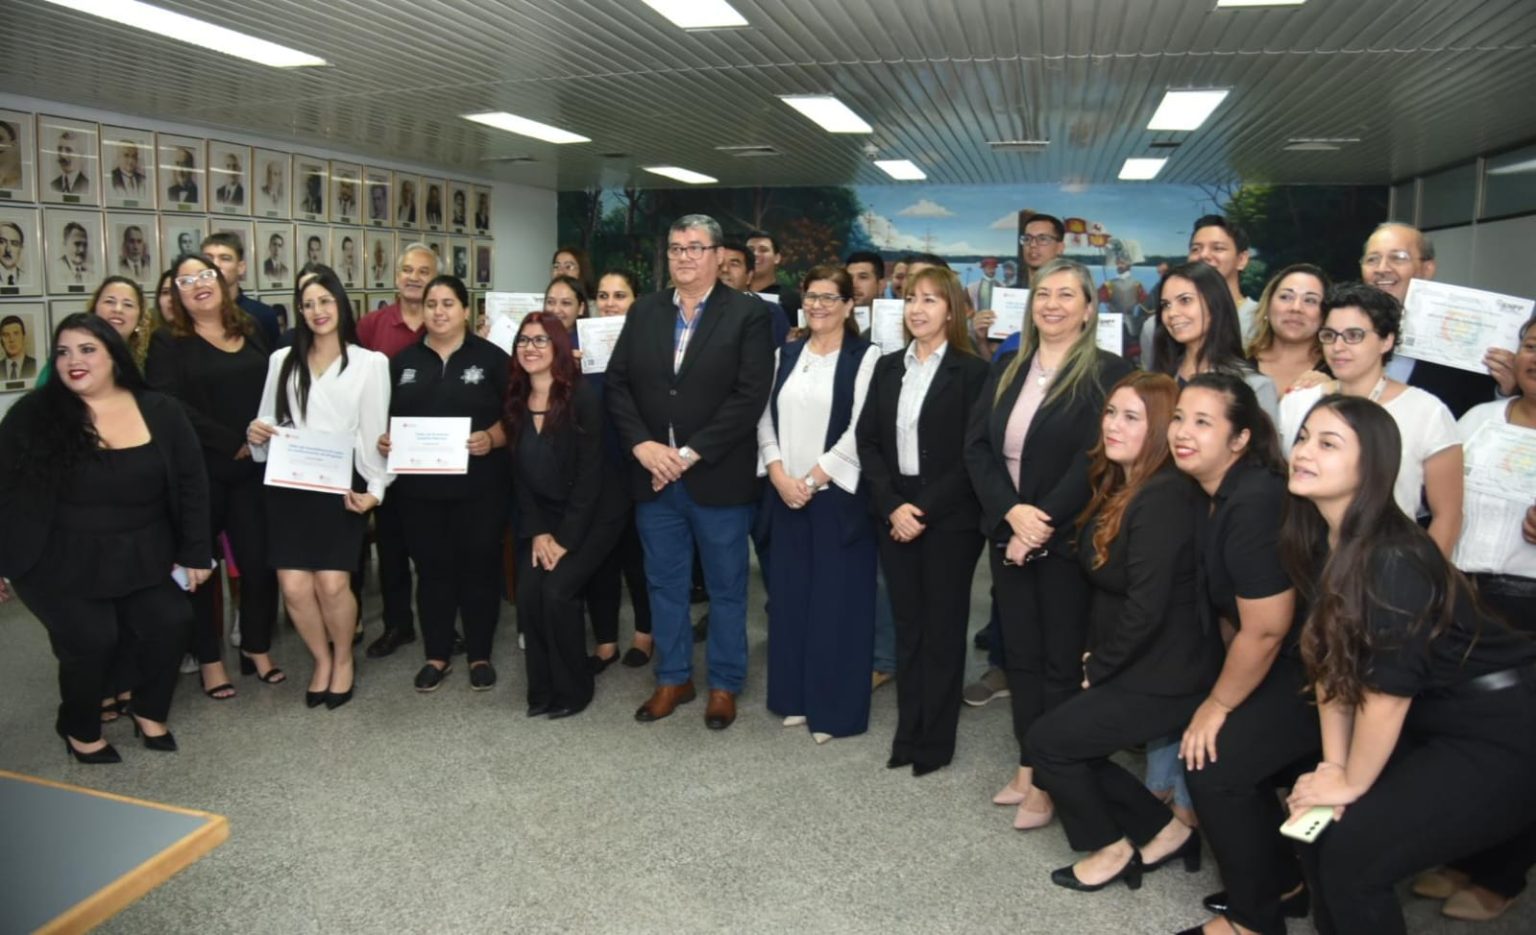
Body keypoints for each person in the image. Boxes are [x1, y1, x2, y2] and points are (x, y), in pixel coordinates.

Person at [1279, 395, 1536, 935]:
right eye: (1303, 438)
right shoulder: (1325, 539)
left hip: (1501, 731)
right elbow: (1329, 667)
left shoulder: (1393, 556)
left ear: (1370, 466)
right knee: (1323, 832)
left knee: (1353, 854)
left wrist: (1350, 784)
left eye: (1328, 444)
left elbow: (1387, 696)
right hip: (1436, 719)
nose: (1303, 451)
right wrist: (1334, 768)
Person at [1025, 371, 1221, 892]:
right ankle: (1167, 831)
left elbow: (1146, 606)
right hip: (1140, 660)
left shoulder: (1163, 497)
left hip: (1167, 671)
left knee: (1049, 744)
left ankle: (1111, 847)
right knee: (1061, 742)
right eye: (1111, 412)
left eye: (1131, 417)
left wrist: (1100, 665)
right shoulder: (1126, 484)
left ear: (1158, 429)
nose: (1112, 424)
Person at [964, 258, 1134, 827]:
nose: (1052, 304)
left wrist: (1038, 524)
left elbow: (1097, 457)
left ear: (1088, 310)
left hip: (1067, 539)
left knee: (1060, 663)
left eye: (1066, 295)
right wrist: (1011, 514)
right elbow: (977, 448)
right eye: (1043, 294)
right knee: (1022, 657)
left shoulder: (1108, 372)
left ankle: (1052, 779)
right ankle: (1028, 764)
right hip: (1007, 531)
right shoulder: (1009, 366)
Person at [0, 314, 210, 762]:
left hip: (142, 551)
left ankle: (149, 710)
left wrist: (196, 551)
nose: (72, 361)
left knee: (171, 622)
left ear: (114, 355)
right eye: (63, 352)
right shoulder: (33, 415)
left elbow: (193, 483)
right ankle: (78, 728)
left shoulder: (161, 410)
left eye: (87, 349)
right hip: (56, 557)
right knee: (92, 640)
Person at [606, 214, 774, 730]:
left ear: (718, 256)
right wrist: (643, 446)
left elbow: (749, 396)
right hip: (654, 478)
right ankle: (673, 677)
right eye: (676, 247)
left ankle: (724, 683)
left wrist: (689, 454)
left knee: (726, 588)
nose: (683, 256)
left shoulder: (748, 314)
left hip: (716, 476)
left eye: (695, 247)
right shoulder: (646, 311)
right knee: (664, 584)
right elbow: (618, 384)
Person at [1169, 373, 1318, 935]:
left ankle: (1253, 922)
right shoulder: (1213, 493)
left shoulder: (1255, 500)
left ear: (1240, 439)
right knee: (1219, 753)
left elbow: (1267, 630)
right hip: (1288, 657)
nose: (1182, 432)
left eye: (1202, 422)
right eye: (1179, 418)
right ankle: (1283, 884)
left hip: (1327, 673)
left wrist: (1219, 705)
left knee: (1212, 762)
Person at [856, 265, 988, 772]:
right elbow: (868, 441)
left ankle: (937, 738)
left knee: (943, 627)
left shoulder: (973, 372)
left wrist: (923, 509)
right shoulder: (889, 367)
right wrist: (892, 504)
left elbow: (973, 454)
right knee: (908, 625)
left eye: (931, 299)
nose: (917, 308)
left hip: (949, 518)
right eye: (911, 298)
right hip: (895, 511)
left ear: (951, 310)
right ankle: (908, 730)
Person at [246, 269, 389, 709]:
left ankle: (343, 659)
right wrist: (256, 431)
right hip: (290, 484)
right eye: (308, 304)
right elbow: (268, 419)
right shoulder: (282, 360)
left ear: (341, 304)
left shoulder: (370, 364)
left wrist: (376, 490)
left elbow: (373, 434)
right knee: (293, 587)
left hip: (339, 485)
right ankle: (321, 660)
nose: (317, 311)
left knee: (331, 584)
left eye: (325, 301)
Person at [757, 265, 881, 743]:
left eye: (830, 297)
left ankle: (833, 711)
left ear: (849, 305)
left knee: (836, 607)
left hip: (836, 499)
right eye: (811, 296)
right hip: (785, 494)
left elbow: (860, 430)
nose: (818, 305)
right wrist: (778, 473)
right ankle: (794, 698)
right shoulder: (785, 354)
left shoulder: (866, 357)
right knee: (791, 601)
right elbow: (764, 418)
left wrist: (810, 481)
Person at [146, 254, 277, 701]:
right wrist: (230, 440)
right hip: (198, 475)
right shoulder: (168, 341)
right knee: (201, 570)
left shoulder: (250, 329)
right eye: (185, 281)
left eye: (205, 275)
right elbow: (167, 405)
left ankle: (257, 647)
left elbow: (272, 389)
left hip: (253, 469)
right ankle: (210, 661)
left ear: (221, 281)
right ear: (176, 294)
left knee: (258, 564)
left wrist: (261, 435)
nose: (197, 284)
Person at [378, 275, 508, 691]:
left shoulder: (493, 359)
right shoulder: (402, 362)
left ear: (466, 310)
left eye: (448, 303)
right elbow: (384, 418)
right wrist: (385, 440)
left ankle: (479, 654)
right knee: (431, 571)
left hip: (480, 489)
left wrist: (492, 438)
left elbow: (517, 416)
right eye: (432, 304)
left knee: (479, 569)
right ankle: (436, 655)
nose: (438, 312)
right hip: (419, 493)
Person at [1278, 282, 1463, 556]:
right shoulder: (1298, 402)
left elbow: (1448, 515)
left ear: (1386, 340)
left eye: (1354, 335)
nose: (1338, 346)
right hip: (1305, 557)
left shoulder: (1427, 411)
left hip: (1391, 561)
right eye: (1329, 335)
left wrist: (1421, 574)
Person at [507, 313, 629, 717]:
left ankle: (574, 691)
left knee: (557, 592)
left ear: (558, 347)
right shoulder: (515, 399)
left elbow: (590, 476)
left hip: (595, 514)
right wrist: (539, 532)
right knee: (529, 594)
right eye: (524, 340)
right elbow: (519, 476)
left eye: (540, 340)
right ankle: (542, 691)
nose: (530, 348)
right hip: (545, 517)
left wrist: (564, 540)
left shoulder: (581, 397)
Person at [358, 243, 439, 658]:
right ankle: (397, 625)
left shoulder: (443, 321)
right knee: (390, 547)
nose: (414, 277)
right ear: (395, 275)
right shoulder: (370, 326)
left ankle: (440, 626)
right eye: (407, 269)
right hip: (385, 456)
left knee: (433, 549)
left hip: (434, 457)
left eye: (423, 271)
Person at [1363, 223, 1511, 417]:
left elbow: (1477, 407)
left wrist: (1505, 391)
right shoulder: (1341, 329)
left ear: (1427, 269)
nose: (1382, 268)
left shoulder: (1464, 332)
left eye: (1397, 258)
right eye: (1372, 259)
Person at [586, 271, 652, 666]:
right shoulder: (580, 345)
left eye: (619, 295)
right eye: (603, 295)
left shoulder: (651, 342)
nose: (609, 303)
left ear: (636, 301)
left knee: (637, 554)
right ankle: (605, 640)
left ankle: (644, 634)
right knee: (601, 557)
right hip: (595, 467)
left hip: (638, 463)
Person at [1152, 261, 1279, 422]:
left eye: (1185, 300)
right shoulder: (1161, 376)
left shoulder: (1253, 385)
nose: (1172, 313)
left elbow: (1265, 439)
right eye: (1166, 305)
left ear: (1215, 304)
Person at [1245, 264, 1329, 394]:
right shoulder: (1237, 367)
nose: (1296, 308)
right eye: (1285, 297)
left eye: (1310, 300)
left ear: (1324, 314)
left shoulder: (1337, 371)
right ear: (1268, 305)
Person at [1187, 215, 1259, 345]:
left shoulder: (1260, 321)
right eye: (1195, 249)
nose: (1203, 255)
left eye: (1217, 248)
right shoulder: (1171, 320)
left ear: (1241, 260)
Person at [202, 233, 281, 350]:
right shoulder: (195, 313)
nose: (215, 264)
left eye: (225, 258)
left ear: (240, 268)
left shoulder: (262, 315)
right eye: (208, 258)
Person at [747, 229, 802, 322]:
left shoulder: (791, 299)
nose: (755, 254)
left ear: (777, 258)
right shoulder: (733, 294)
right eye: (750, 250)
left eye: (763, 250)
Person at [1018, 213, 1066, 284]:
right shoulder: (1009, 290)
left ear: (1060, 248)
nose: (1032, 244)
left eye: (1042, 239)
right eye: (1027, 239)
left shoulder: (1071, 288)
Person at [50, 131, 89, 195]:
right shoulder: (53, 185)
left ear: (80, 155)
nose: (62, 155)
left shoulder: (87, 186)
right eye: (60, 149)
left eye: (68, 150)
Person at [1, 314, 37, 380]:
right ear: (1, 340)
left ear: (23, 337)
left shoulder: (36, 365)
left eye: (16, 333)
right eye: (6, 335)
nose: (11, 339)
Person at [58, 222, 91, 286]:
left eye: (85, 245)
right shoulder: (56, 270)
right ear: (64, 244)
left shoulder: (90, 273)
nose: (82, 250)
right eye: (77, 244)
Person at [0, 220, 25, 287]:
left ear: (21, 248)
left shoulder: (26, 276)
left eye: (14, 243)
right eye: (2, 242)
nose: (8, 249)